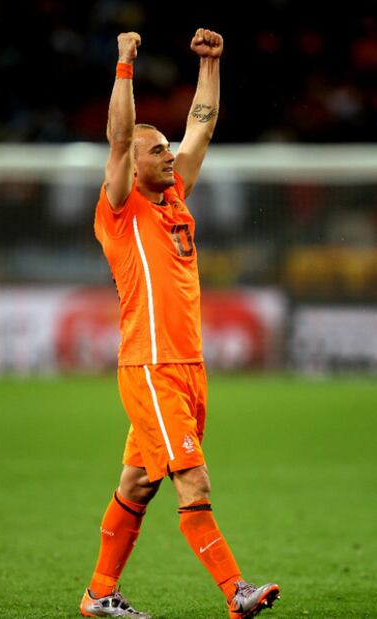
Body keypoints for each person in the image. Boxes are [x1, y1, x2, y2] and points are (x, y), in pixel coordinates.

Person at [80, 29, 280, 619]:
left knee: (139, 484)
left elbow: (203, 124)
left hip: (189, 367)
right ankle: (236, 593)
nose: (170, 154)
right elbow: (119, 138)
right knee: (194, 482)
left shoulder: (174, 199)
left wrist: (212, 65)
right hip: (152, 365)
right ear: (132, 165)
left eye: (169, 149)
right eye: (158, 150)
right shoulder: (121, 209)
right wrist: (123, 65)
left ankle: (99, 595)